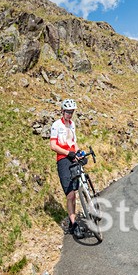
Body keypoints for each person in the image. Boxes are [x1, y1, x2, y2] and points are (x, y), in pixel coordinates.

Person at [49, 98, 83, 238]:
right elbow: (53, 146)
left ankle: (72, 218)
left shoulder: (72, 124)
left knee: (76, 190)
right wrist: (67, 153)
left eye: (72, 112)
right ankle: (74, 225)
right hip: (63, 159)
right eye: (68, 112)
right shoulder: (56, 125)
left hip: (73, 157)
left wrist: (79, 152)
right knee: (70, 194)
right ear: (62, 111)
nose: (70, 114)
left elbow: (73, 142)